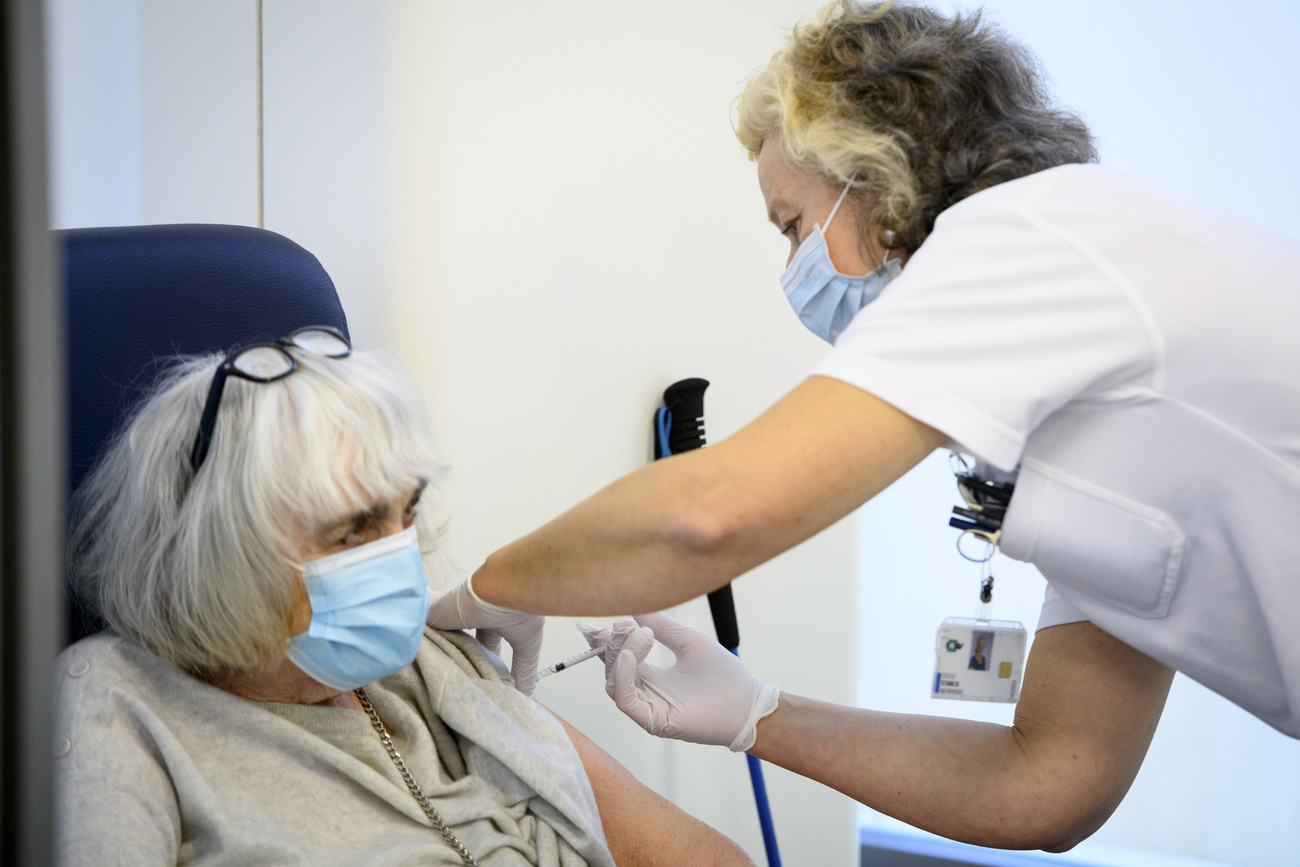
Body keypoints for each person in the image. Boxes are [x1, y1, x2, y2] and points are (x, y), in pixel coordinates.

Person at [424, 0, 1300, 854]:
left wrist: (494, 588)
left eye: (794, 226)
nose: (792, 272)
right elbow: (1050, 785)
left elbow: (708, 512)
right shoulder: (1068, 416)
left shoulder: (1028, 235)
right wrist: (758, 715)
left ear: (879, 179)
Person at [57, 327, 751, 866]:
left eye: (405, 513)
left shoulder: (434, 662)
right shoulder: (114, 709)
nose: (400, 556)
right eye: (355, 529)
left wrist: (761, 716)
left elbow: (706, 858)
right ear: (223, 554)